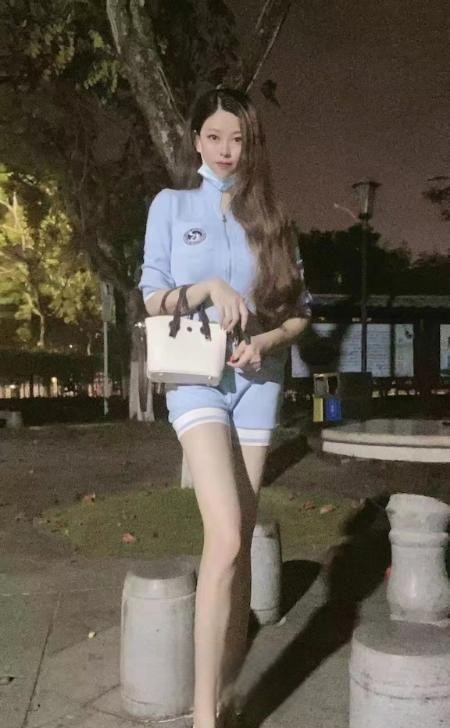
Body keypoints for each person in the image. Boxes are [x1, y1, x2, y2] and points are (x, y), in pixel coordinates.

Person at [139, 87, 311, 728]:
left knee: (238, 552)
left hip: (258, 382)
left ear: (251, 142)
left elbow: (299, 314)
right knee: (229, 533)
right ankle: (203, 717)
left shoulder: (271, 217)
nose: (226, 150)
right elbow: (152, 296)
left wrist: (265, 341)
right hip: (195, 377)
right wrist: (207, 287)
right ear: (196, 139)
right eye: (213, 136)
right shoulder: (172, 204)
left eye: (237, 138)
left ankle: (227, 684)